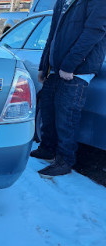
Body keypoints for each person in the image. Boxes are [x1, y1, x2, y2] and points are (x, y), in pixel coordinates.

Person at [30, 0, 106, 177]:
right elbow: (53, 34)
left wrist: (70, 65)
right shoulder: (61, 1)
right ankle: (47, 148)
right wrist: (44, 65)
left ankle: (65, 160)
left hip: (78, 69)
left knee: (67, 117)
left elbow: (94, 32)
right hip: (56, 68)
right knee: (48, 110)